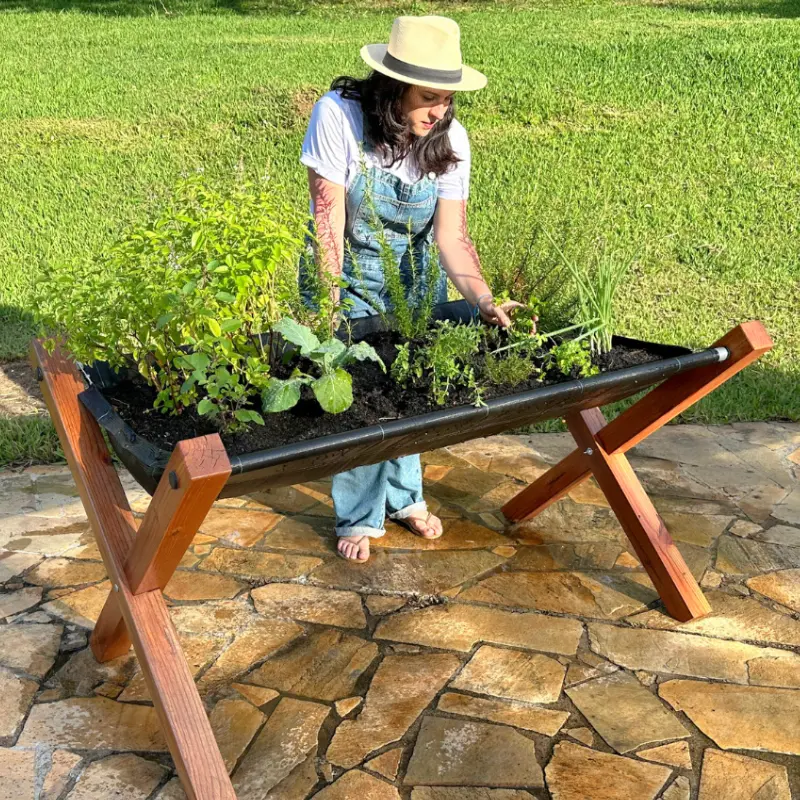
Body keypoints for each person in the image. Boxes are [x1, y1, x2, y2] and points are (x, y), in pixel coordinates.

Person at [299, 15, 522, 562]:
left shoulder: (451, 139)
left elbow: (451, 236)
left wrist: (485, 299)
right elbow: (328, 222)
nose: (437, 112)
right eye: (427, 98)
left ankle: (403, 497)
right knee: (360, 400)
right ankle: (358, 514)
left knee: (409, 389)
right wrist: (328, 305)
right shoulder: (339, 117)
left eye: (446, 100)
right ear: (393, 86)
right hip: (346, 272)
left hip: (413, 281)